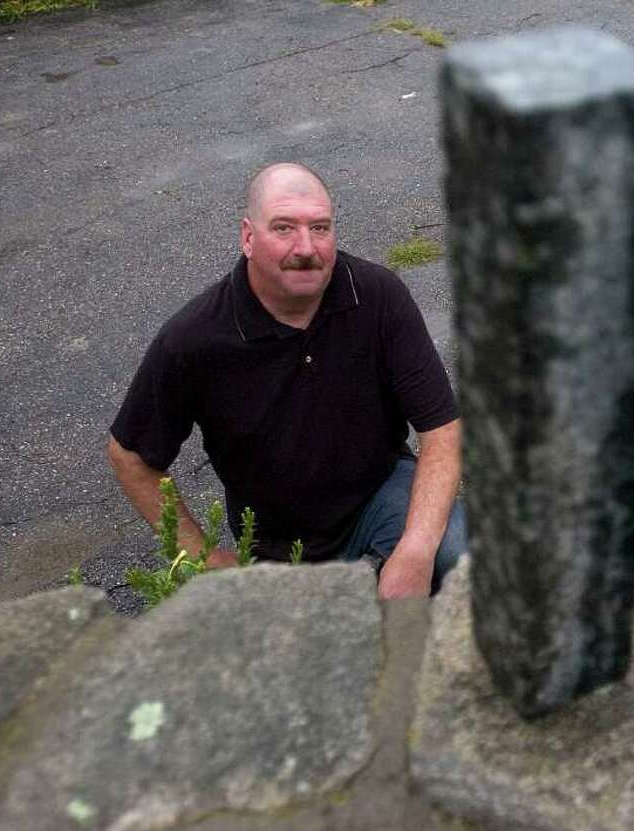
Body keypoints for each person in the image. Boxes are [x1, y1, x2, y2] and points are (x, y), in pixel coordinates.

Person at [107, 162, 465, 598]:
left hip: (379, 499)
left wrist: (415, 553)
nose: (306, 247)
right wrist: (200, 558)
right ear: (248, 237)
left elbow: (442, 429)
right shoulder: (195, 339)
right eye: (283, 228)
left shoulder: (377, 296)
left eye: (320, 227)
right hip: (273, 542)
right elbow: (130, 455)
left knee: (461, 558)